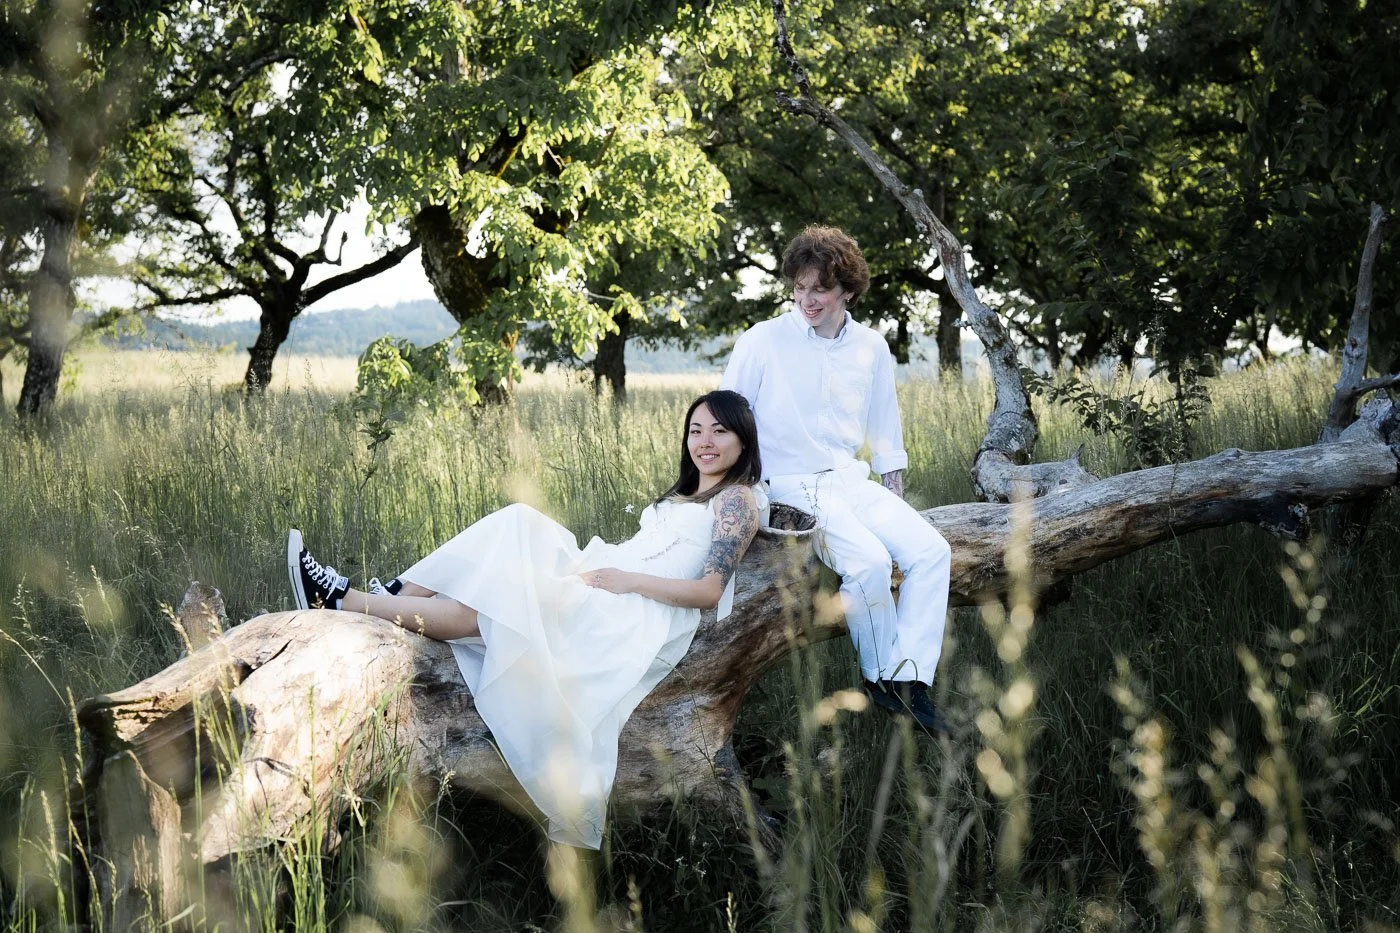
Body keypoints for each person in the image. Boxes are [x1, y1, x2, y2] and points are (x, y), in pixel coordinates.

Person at [285, 390, 765, 849]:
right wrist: (608, 573)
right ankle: (385, 596)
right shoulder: (690, 495)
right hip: (610, 581)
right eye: (696, 430)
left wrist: (627, 581)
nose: (704, 442)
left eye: (718, 432)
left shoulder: (736, 500)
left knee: (494, 609)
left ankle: (347, 599)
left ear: (743, 439)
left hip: (635, 613)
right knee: (518, 523)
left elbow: (708, 591)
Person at [722, 225, 953, 736]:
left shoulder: (871, 348)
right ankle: (881, 681)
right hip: (789, 484)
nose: (807, 299)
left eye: (819, 290)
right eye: (799, 288)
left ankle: (912, 680)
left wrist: (895, 501)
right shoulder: (762, 341)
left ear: (847, 290)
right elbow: (727, 417)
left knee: (932, 552)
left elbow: (885, 429)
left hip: (851, 480)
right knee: (868, 561)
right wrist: (730, 493)